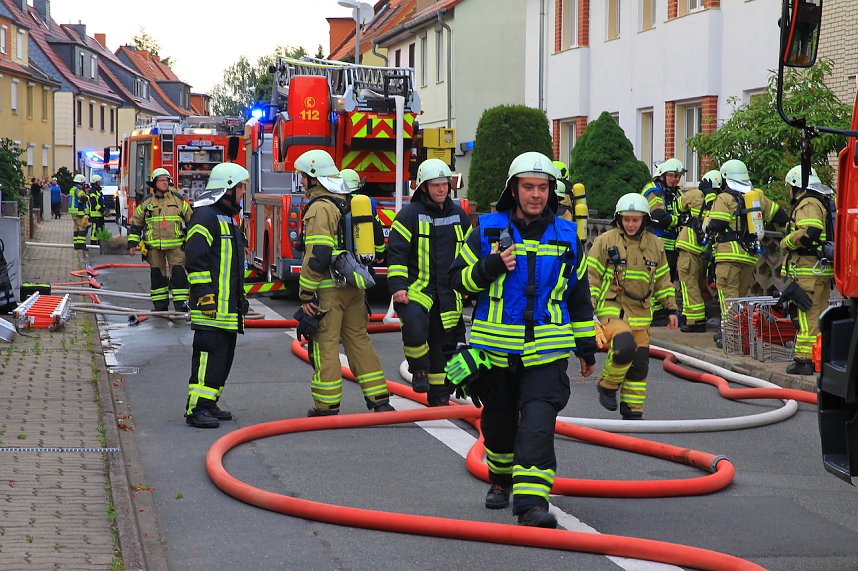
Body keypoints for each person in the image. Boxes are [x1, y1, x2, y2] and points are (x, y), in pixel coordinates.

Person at [448, 151, 596, 528]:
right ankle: (500, 479)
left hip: (545, 354)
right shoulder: (487, 229)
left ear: (552, 191)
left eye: (542, 187)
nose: (536, 194)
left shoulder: (567, 235)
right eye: (528, 187)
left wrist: (585, 345)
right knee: (498, 427)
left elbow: (577, 296)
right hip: (495, 354)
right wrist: (490, 266)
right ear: (513, 190)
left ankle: (531, 504)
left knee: (537, 425)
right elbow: (457, 280)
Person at [295, 149, 394, 417]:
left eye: (303, 177)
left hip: (328, 289)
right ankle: (380, 399)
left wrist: (306, 295)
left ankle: (326, 405)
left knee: (325, 344)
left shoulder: (320, 207)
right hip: (355, 286)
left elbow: (318, 255)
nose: (301, 182)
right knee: (359, 340)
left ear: (314, 177)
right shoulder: (348, 201)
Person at [387, 158, 470, 406]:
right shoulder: (409, 216)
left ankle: (439, 397)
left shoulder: (459, 216)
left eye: (444, 184)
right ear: (423, 187)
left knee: (442, 347)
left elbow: (470, 252)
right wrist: (399, 286)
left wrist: (467, 285)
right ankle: (419, 370)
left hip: (449, 293)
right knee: (414, 324)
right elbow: (397, 253)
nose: (441, 190)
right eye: (435, 185)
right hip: (417, 289)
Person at [589, 193, 679, 420]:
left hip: (641, 314)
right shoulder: (605, 241)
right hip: (611, 309)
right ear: (618, 219)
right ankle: (608, 386)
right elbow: (591, 278)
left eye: (635, 219)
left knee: (638, 367)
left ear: (644, 220)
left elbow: (662, 280)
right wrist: (588, 312)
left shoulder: (655, 245)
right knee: (624, 345)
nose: (630, 224)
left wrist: (671, 309)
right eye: (626, 219)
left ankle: (633, 412)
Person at [183, 163, 251, 428]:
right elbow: (196, 261)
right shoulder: (206, 217)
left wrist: (240, 297)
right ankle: (195, 409)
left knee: (222, 359)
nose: (244, 192)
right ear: (228, 189)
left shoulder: (227, 218)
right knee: (207, 357)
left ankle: (209, 403)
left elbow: (231, 265)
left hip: (227, 309)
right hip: (211, 307)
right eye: (241, 187)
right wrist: (204, 295)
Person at [706, 159, 789, 346]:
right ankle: (740, 334)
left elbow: (717, 224)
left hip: (728, 256)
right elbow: (781, 216)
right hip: (749, 255)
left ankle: (729, 337)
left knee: (728, 297)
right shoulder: (756, 197)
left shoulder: (724, 198)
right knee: (741, 298)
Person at [780, 165, 835, 375]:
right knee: (818, 315)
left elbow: (810, 231)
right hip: (819, 270)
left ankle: (804, 360)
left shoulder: (807, 203)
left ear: (796, 186)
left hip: (808, 270)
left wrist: (787, 241)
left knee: (806, 315)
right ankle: (818, 356)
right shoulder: (820, 201)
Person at [127, 168, 193, 312]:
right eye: (161, 180)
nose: (165, 183)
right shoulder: (146, 202)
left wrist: (191, 243)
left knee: (179, 275)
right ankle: (160, 306)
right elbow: (136, 223)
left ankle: (181, 305)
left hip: (176, 246)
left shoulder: (178, 200)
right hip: (153, 248)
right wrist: (132, 243)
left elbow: (191, 220)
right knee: (157, 276)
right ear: (154, 183)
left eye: (166, 180)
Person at [675, 170, 719, 332]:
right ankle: (690, 315)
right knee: (697, 284)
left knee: (688, 284)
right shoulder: (720, 201)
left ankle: (695, 320)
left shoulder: (694, 194)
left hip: (688, 246)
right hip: (705, 250)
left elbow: (678, 206)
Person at [642, 158, 685, 325]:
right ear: (662, 175)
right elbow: (660, 217)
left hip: (672, 245)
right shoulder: (653, 190)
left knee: (667, 279)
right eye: (672, 175)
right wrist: (679, 219)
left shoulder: (677, 193)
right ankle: (654, 314)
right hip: (655, 242)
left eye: (678, 176)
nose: (675, 179)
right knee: (654, 279)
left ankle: (663, 312)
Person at [68, 174, 89, 249]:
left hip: (73, 212)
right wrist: (87, 197)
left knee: (76, 228)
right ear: (81, 182)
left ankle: (76, 245)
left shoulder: (72, 189)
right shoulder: (78, 190)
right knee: (83, 228)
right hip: (79, 212)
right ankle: (81, 245)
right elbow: (83, 198)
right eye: (83, 182)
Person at [87, 174, 106, 245]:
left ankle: (100, 240)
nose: (100, 182)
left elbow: (100, 201)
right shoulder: (93, 191)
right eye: (98, 181)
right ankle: (93, 242)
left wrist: (103, 209)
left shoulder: (98, 190)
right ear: (95, 182)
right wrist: (102, 210)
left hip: (99, 213)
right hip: (95, 213)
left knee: (100, 227)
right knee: (95, 228)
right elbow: (94, 203)